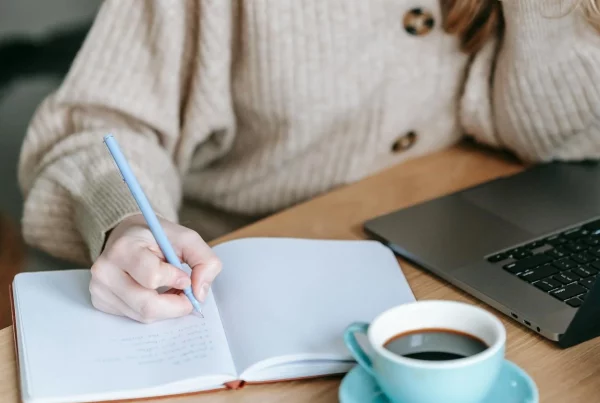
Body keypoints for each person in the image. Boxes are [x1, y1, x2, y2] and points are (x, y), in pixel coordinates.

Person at [17, 0, 600, 323]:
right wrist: (128, 219)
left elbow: (559, 134)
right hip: (226, 276)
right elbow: (90, 128)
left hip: (450, 258)